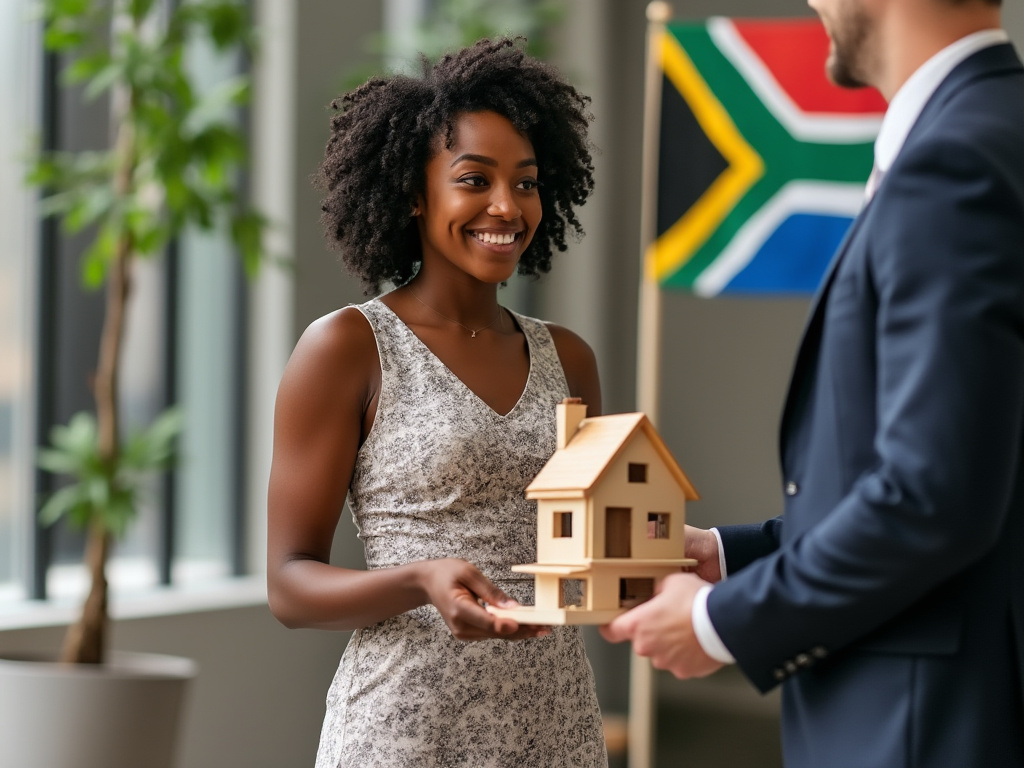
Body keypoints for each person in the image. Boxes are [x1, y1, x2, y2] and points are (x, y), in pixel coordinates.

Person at [601, 0, 1024, 765]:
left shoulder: (951, 163)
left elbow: (934, 498)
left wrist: (719, 623)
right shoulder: (988, 132)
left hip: (918, 728)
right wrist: (729, 556)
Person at [266, 38, 608, 767]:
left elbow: (594, 544)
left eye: (526, 182)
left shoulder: (569, 358)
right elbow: (290, 584)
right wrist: (421, 580)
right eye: (474, 180)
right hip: (404, 733)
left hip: (556, 728)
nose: (506, 206)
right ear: (415, 194)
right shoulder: (347, 347)